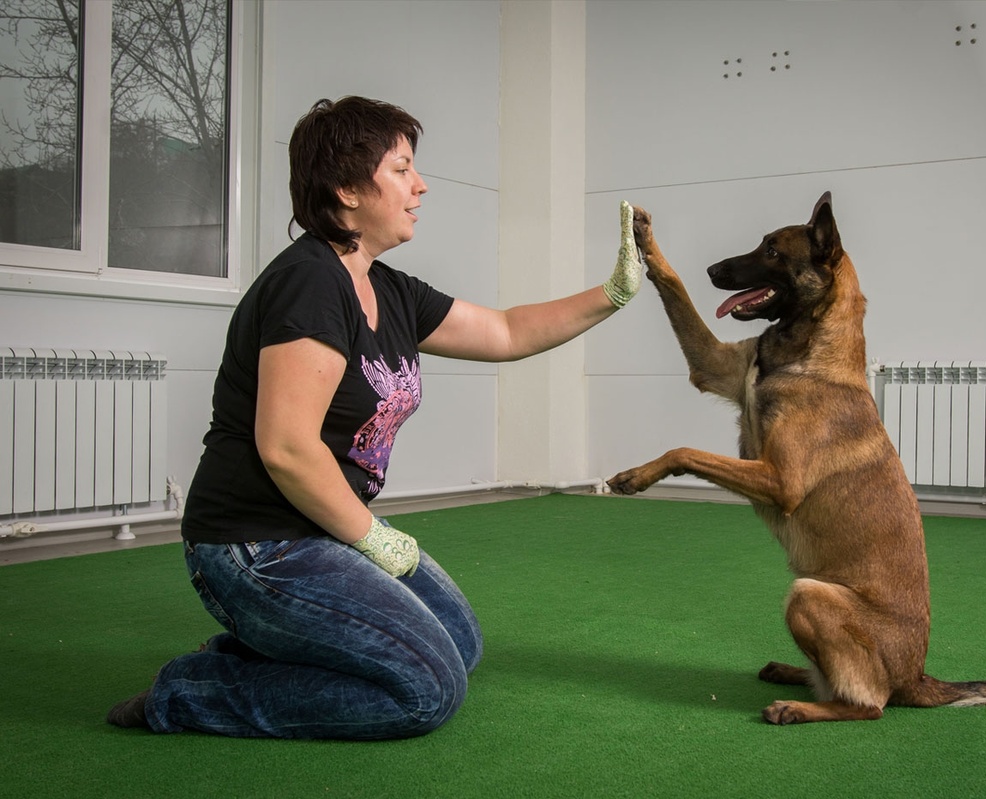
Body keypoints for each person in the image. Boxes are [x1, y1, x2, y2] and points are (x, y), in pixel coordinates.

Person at [106, 96, 641, 739]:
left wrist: (612, 293)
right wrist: (370, 536)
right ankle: (191, 692)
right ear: (346, 189)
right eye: (400, 168)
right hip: (256, 542)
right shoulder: (311, 282)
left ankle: (261, 648)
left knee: (460, 648)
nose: (420, 185)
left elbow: (504, 330)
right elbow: (285, 446)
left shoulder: (387, 287)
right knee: (426, 691)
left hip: (323, 527)